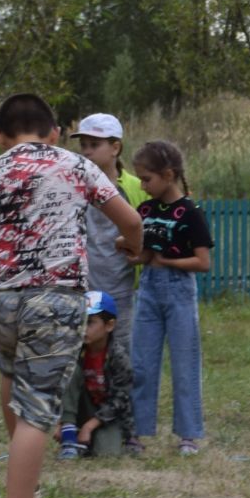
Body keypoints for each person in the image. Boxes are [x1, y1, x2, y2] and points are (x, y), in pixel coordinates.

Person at [0, 92, 142, 498]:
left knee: (10, 375)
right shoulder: (74, 166)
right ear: (55, 133)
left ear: (0, 137)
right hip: (53, 300)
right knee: (39, 409)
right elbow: (130, 218)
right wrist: (130, 243)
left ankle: (24, 483)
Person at [124, 139, 213, 456]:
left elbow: (203, 262)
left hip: (179, 291)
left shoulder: (191, 213)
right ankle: (135, 431)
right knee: (142, 363)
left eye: (147, 179)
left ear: (169, 174)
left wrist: (169, 262)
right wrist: (131, 252)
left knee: (184, 362)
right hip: (147, 290)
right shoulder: (145, 210)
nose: (143, 185)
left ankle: (188, 435)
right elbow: (143, 253)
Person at [71, 112, 143, 369]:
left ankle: (121, 407)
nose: (87, 152)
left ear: (115, 147)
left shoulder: (134, 187)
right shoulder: (75, 187)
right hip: (84, 288)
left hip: (122, 289)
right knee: (83, 354)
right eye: (83, 146)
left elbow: (145, 227)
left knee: (122, 355)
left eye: (94, 145)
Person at [58, 291, 135, 458]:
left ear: (109, 325)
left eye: (90, 323)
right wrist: (61, 422)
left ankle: (89, 437)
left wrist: (89, 426)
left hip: (108, 416)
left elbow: (120, 400)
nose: (83, 329)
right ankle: (69, 434)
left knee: (106, 453)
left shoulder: (119, 357)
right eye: (81, 322)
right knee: (70, 369)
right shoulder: (75, 352)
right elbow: (63, 388)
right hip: (83, 408)